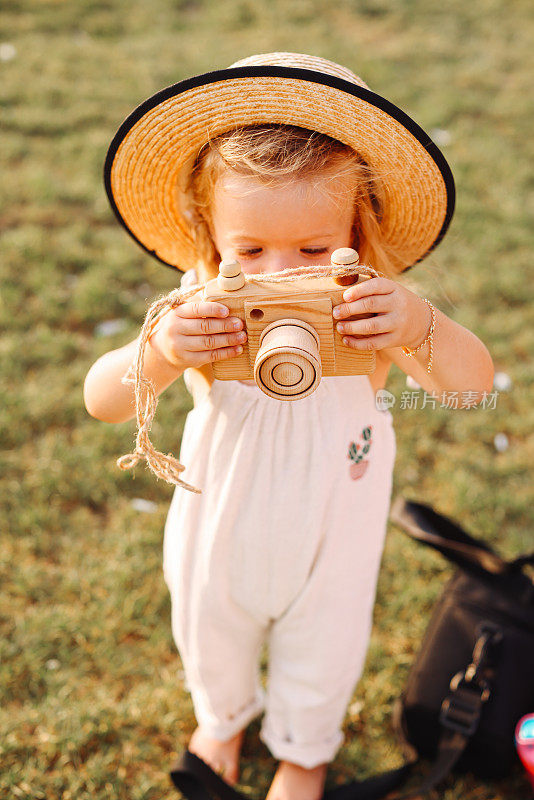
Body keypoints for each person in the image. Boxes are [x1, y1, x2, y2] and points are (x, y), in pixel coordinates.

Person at [84, 53, 494, 800]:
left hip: (336, 514)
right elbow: (103, 400)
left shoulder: (370, 305)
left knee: (328, 638)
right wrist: (165, 349)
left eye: (312, 250)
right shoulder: (199, 303)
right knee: (210, 622)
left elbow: (469, 391)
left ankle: (305, 750)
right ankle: (223, 716)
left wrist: (417, 322)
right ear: (211, 240)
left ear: (357, 233)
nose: (282, 272)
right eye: (250, 251)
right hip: (222, 510)